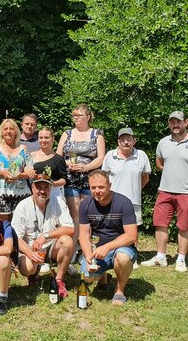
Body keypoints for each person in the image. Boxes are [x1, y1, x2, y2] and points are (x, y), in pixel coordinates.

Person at [56, 104, 105, 273]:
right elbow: (58, 155)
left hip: (89, 179)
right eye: (74, 115)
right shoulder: (67, 134)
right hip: (70, 178)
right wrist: (67, 164)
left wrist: (85, 167)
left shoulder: (96, 134)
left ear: (88, 117)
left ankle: (87, 253)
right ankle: (73, 253)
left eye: (79, 115)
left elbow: (101, 157)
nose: (76, 118)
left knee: (88, 215)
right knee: (75, 215)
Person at [79, 170, 137, 306]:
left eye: (101, 187)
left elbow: (132, 236)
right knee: (87, 277)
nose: (97, 191)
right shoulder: (85, 205)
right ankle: (103, 277)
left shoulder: (124, 203)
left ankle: (119, 290)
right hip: (98, 251)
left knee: (122, 258)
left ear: (109, 185)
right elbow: (83, 234)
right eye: (93, 187)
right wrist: (88, 257)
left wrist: (107, 247)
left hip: (122, 248)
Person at [12, 174, 74, 296]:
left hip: (51, 247)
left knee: (67, 241)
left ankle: (59, 280)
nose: (42, 191)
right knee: (27, 269)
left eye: (46, 187)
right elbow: (15, 237)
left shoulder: (58, 202)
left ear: (50, 189)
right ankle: (33, 274)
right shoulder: (23, 206)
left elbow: (70, 228)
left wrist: (46, 235)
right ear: (32, 188)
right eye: (38, 187)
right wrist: (30, 253)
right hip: (31, 249)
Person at [141, 111, 188, 272]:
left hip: (185, 192)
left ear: (185, 123)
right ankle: (161, 256)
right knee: (160, 223)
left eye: (178, 122)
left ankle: (181, 259)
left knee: (184, 226)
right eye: (172, 122)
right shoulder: (163, 142)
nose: (175, 125)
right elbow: (159, 163)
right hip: (165, 190)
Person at [102, 127, 151, 269]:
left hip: (133, 200)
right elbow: (104, 178)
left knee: (133, 230)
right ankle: (111, 254)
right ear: (118, 141)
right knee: (112, 228)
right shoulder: (110, 155)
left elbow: (145, 178)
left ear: (134, 141)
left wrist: (134, 190)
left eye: (128, 139)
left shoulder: (141, 155)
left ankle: (132, 257)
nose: (125, 142)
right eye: (122, 139)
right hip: (112, 201)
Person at [0, 119, 35, 220]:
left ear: (16, 131)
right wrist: (1, 173)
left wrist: (19, 175)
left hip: (20, 193)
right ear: (1, 132)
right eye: (5, 129)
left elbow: (30, 172)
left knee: (19, 224)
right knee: (2, 225)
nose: (8, 131)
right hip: (0, 191)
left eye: (12, 129)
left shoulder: (23, 149)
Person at [30, 126, 67, 196]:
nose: (43, 140)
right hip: (35, 194)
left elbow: (63, 180)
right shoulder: (31, 156)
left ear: (52, 139)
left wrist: (51, 184)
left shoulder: (58, 159)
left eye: (46, 137)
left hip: (53, 194)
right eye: (41, 138)